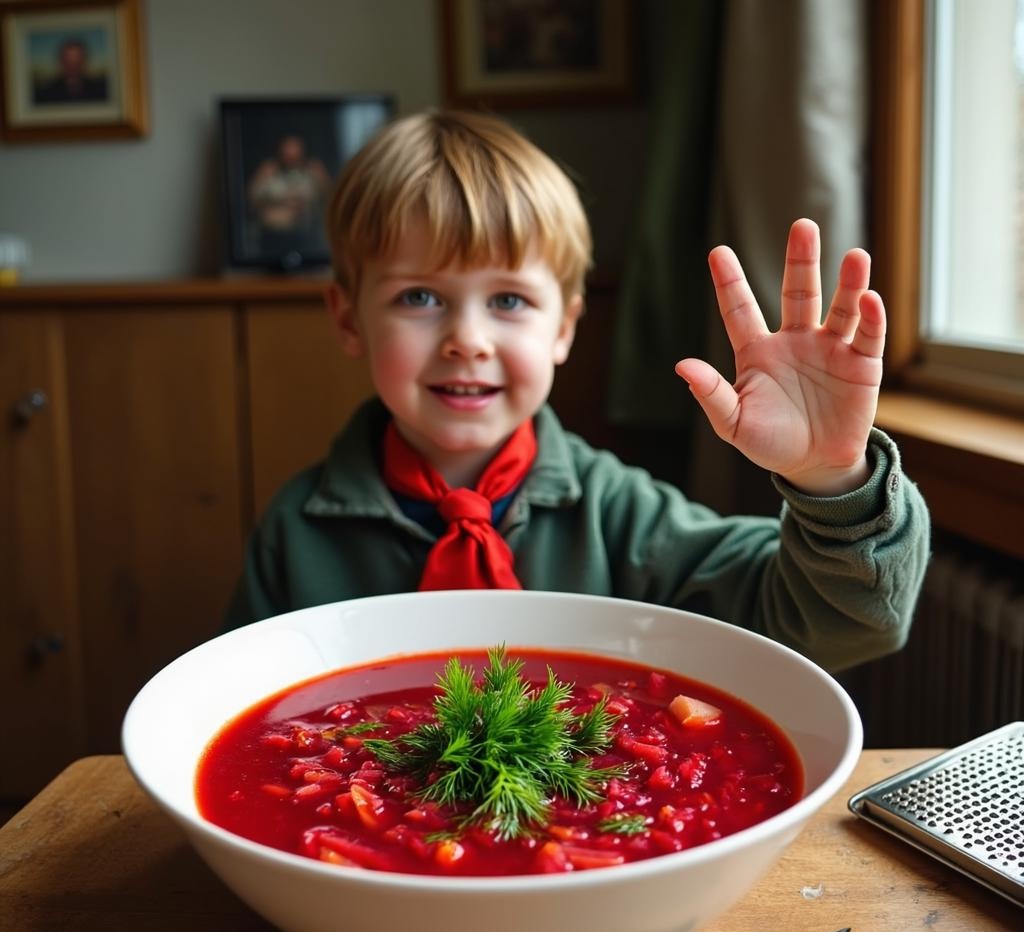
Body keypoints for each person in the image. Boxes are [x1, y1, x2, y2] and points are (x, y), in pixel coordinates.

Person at [224, 109, 930, 673]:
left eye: (507, 302)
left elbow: (834, 628)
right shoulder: (295, 532)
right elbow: (246, 703)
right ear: (349, 318)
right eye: (419, 296)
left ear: (564, 327)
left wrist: (831, 476)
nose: (467, 339)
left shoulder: (623, 515)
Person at [247, 133, 331, 261]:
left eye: (295, 149)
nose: (291, 154)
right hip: (272, 237)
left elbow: (330, 200)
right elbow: (252, 200)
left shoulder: (312, 172)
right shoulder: (269, 171)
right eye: (287, 149)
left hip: (306, 238)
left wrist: (322, 179)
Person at [33, 36, 109, 105]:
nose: (73, 67)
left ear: (84, 61)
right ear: (61, 61)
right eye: (68, 61)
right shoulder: (46, 93)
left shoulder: (100, 90)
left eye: (77, 61)